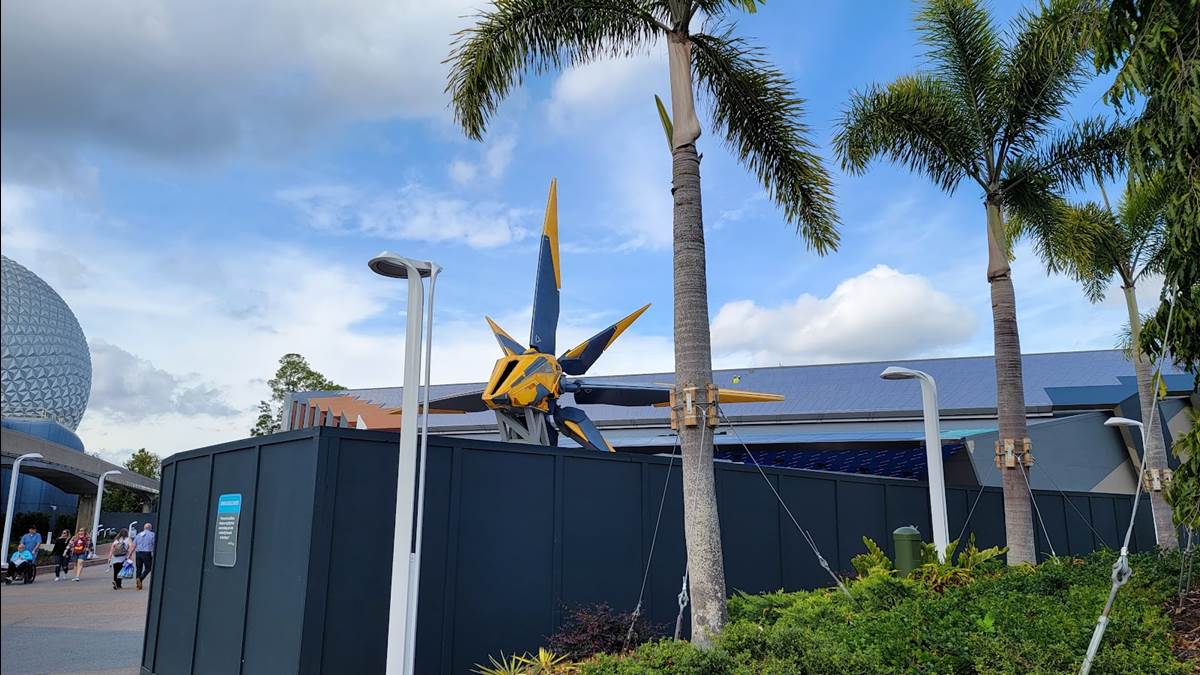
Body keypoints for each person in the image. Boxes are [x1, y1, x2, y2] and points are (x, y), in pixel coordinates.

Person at [132, 522, 156, 590]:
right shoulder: (152, 535)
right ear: (150, 528)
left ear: (144, 528)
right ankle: (140, 579)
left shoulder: (138, 534)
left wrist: (130, 554)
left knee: (139, 568)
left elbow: (134, 545)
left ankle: (138, 584)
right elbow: (154, 544)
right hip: (147, 553)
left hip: (138, 553)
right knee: (148, 567)